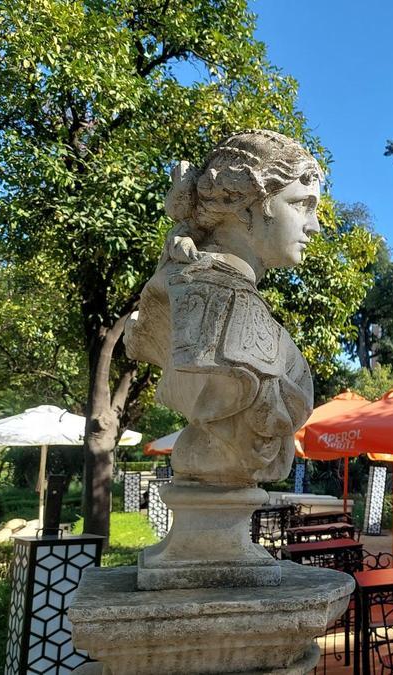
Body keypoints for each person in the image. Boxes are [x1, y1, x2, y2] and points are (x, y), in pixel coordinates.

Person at [126, 130, 321, 486]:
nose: (314, 226)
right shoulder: (207, 294)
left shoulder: (229, 297)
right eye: (300, 204)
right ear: (244, 205)